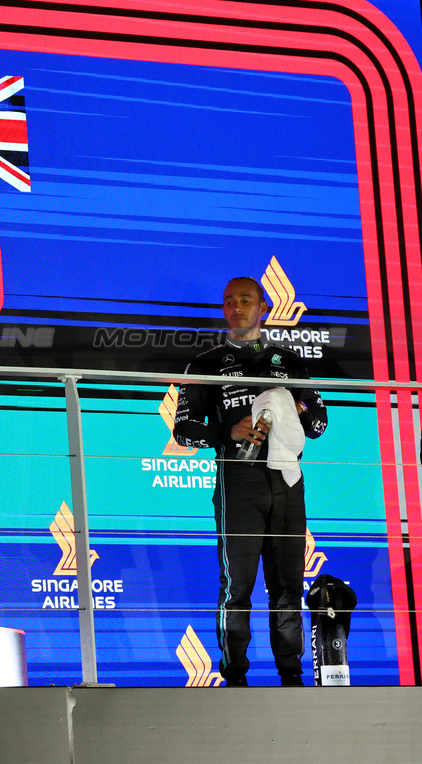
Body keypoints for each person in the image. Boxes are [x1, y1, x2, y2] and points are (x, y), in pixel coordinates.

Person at [174, 276, 327, 686]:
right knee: (236, 588)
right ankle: (235, 679)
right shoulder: (205, 364)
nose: (236, 307)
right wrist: (229, 432)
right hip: (238, 484)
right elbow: (183, 431)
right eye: (229, 301)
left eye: (246, 300)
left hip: (288, 483)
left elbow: (318, 425)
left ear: (263, 307)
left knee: (288, 587)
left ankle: (292, 678)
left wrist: (294, 405)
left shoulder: (290, 362)